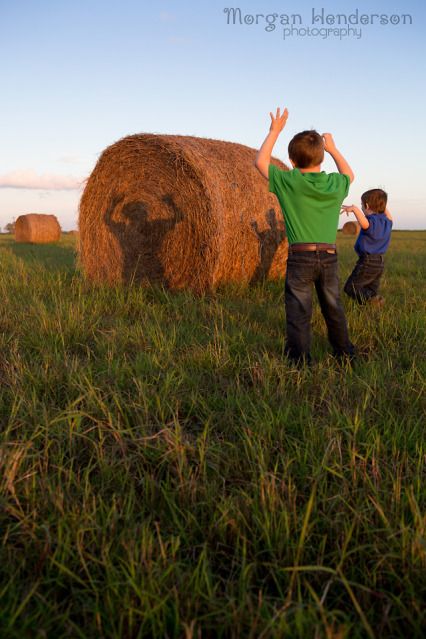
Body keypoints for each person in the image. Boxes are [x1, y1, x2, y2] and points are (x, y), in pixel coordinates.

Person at [254, 106, 355, 364]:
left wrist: (274, 131)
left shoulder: (290, 181)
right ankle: (345, 354)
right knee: (334, 308)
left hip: (300, 257)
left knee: (298, 311)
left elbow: (260, 161)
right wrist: (333, 148)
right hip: (330, 256)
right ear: (321, 159)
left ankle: (300, 361)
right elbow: (349, 175)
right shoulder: (334, 183)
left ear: (292, 161)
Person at [342, 190, 393, 307]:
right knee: (370, 288)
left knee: (351, 287)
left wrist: (354, 209)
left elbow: (364, 223)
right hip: (379, 262)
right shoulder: (388, 222)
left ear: (366, 206)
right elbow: (387, 214)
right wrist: (381, 205)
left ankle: (373, 301)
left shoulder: (371, 222)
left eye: (362, 205)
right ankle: (371, 307)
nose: (361, 207)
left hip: (367, 261)